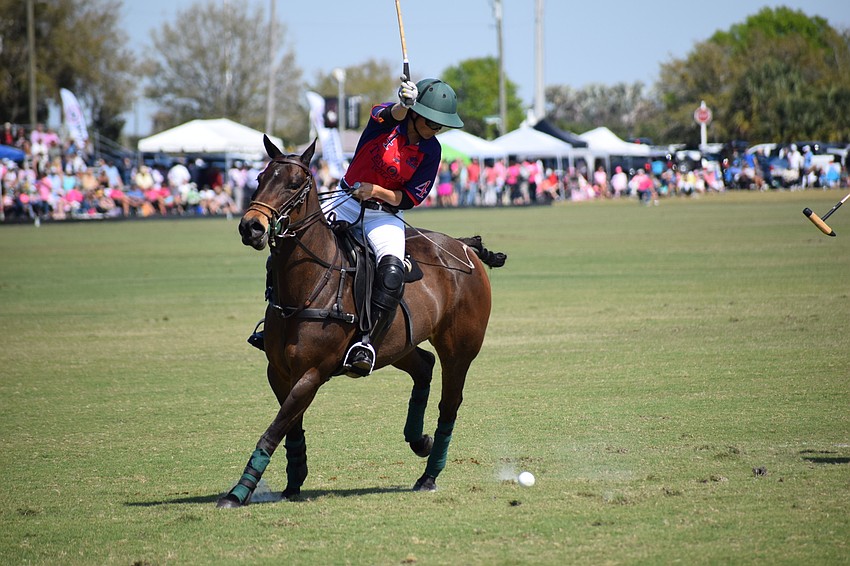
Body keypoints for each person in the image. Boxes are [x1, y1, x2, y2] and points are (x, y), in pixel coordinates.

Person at [250, 76, 464, 378]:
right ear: (416, 113)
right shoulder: (386, 123)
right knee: (290, 243)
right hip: (346, 201)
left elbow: (410, 197)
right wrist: (403, 103)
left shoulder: (432, 151)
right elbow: (389, 114)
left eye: (440, 125)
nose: (436, 129)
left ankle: (365, 344)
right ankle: (273, 324)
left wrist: (375, 191)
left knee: (391, 271)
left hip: (384, 215)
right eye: (431, 121)